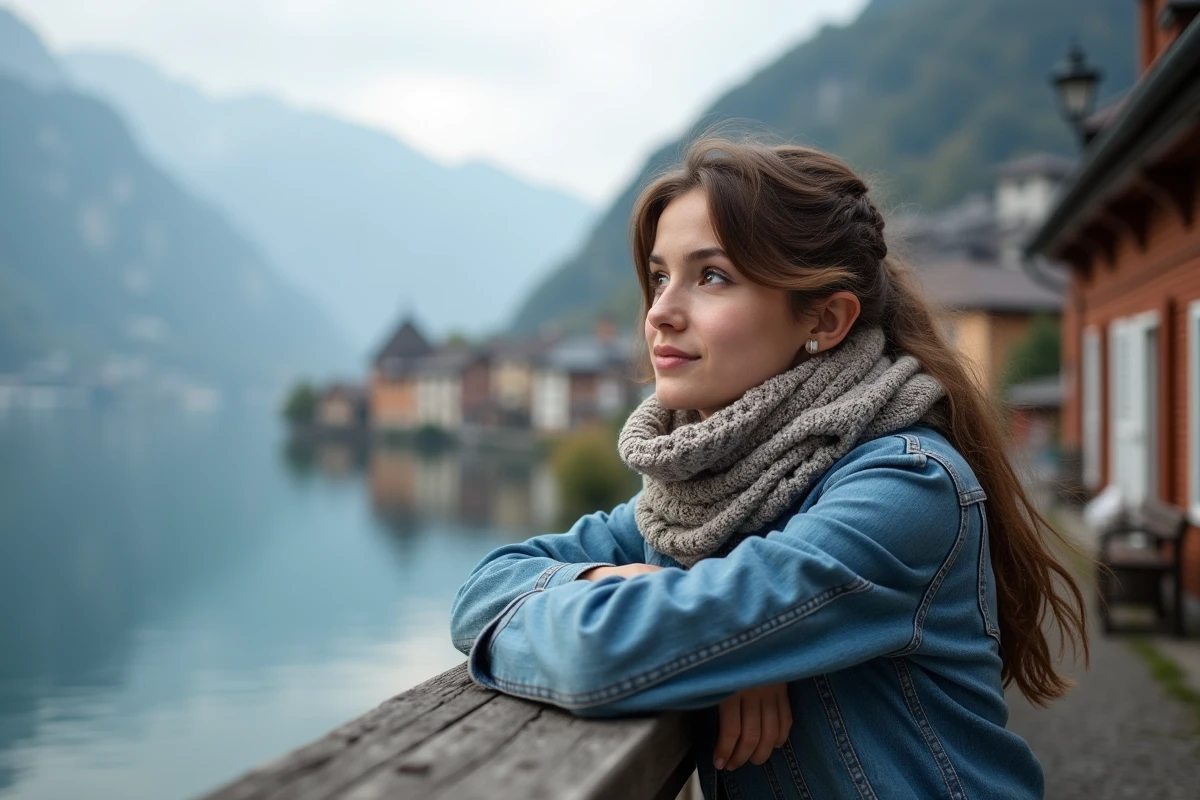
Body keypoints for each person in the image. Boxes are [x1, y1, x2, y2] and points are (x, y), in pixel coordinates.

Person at [449, 136, 1087, 799]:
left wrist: (718, 641)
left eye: (712, 276)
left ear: (826, 319)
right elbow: (480, 591)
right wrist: (630, 585)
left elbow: (596, 656)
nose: (660, 312)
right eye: (661, 275)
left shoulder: (906, 489)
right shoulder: (695, 500)